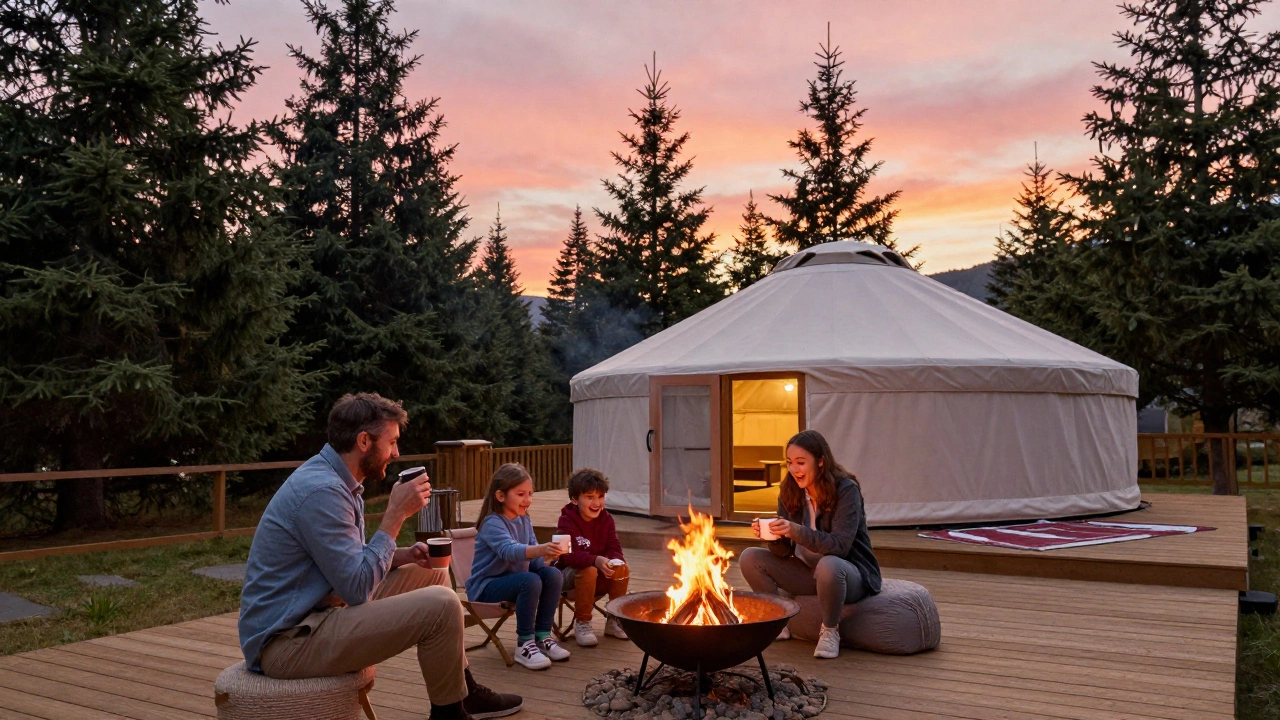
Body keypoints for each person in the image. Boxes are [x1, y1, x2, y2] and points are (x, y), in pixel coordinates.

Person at [238, 393, 522, 720]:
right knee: (441, 604)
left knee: (432, 575)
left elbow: (348, 563)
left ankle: (464, 691)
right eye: (392, 443)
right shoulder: (322, 492)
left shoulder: (340, 482)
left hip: (317, 612)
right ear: (363, 441)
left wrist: (403, 555)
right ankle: (449, 716)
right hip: (287, 642)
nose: (396, 453)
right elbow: (357, 590)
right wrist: (396, 514)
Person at [739, 429, 883, 659]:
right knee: (750, 557)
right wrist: (773, 537)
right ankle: (776, 623)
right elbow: (784, 553)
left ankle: (830, 631)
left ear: (821, 461)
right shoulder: (789, 491)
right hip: (808, 573)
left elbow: (840, 547)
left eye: (801, 462)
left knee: (829, 565)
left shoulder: (846, 490)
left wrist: (796, 531)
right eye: (790, 463)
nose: (795, 469)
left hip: (849, 573)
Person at [466, 463, 569, 670]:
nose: (527, 500)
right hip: (487, 588)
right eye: (521, 494)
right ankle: (524, 644)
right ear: (501, 496)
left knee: (552, 575)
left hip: (515, 581)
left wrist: (549, 558)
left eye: (530, 494)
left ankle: (542, 636)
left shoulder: (524, 521)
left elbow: (533, 559)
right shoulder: (492, 523)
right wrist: (541, 549)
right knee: (530, 580)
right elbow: (509, 551)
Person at [554, 468, 630, 646]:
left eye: (601, 496)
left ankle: (614, 619)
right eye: (590, 497)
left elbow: (614, 546)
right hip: (568, 577)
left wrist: (614, 560)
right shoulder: (567, 520)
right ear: (574, 499)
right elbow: (568, 556)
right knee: (588, 569)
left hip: (600, 576)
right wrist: (596, 560)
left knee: (622, 567)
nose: (597, 503)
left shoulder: (606, 519)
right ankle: (583, 622)